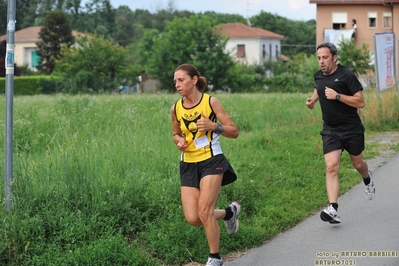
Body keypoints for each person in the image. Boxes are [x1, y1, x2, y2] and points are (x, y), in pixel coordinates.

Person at [170, 64, 240, 266]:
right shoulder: (176, 108)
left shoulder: (211, 102)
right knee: (193, 217)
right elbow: (176, 133)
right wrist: (179, 142)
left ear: (193, 80)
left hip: (212, 159)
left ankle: (215, 257)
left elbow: (234, 131)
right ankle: (228, 213)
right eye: (175, 81)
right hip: (189, 163)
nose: (177, 84)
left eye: (181, 80)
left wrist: (214, 126)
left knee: (204, 210)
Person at [306, 42, 375, 224]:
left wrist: (338, 96)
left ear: (334, 58)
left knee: (358, 164)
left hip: (351, 128)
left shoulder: (346, 75)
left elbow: (360, 102)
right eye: (319, 58)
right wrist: (313, 100)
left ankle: (367, 180)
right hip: (330, 130)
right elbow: (319, 88)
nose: (321, 61)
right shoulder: (318, 76)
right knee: (331, 166)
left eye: (325, 57)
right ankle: (333, 208)